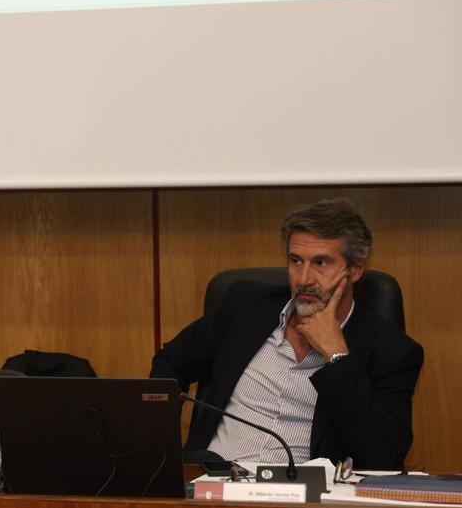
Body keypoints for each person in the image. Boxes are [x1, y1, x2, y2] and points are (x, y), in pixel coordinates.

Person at [151, 198, 423, 469]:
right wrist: (161, 449)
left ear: (355, 270)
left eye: (321, 263)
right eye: (296, 261)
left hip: (302, 500)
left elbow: (385, 456)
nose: (304, 278)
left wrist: (338, 357)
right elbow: (171, 363)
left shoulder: (391, 350)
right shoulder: (244, 308)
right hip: (213, 485)